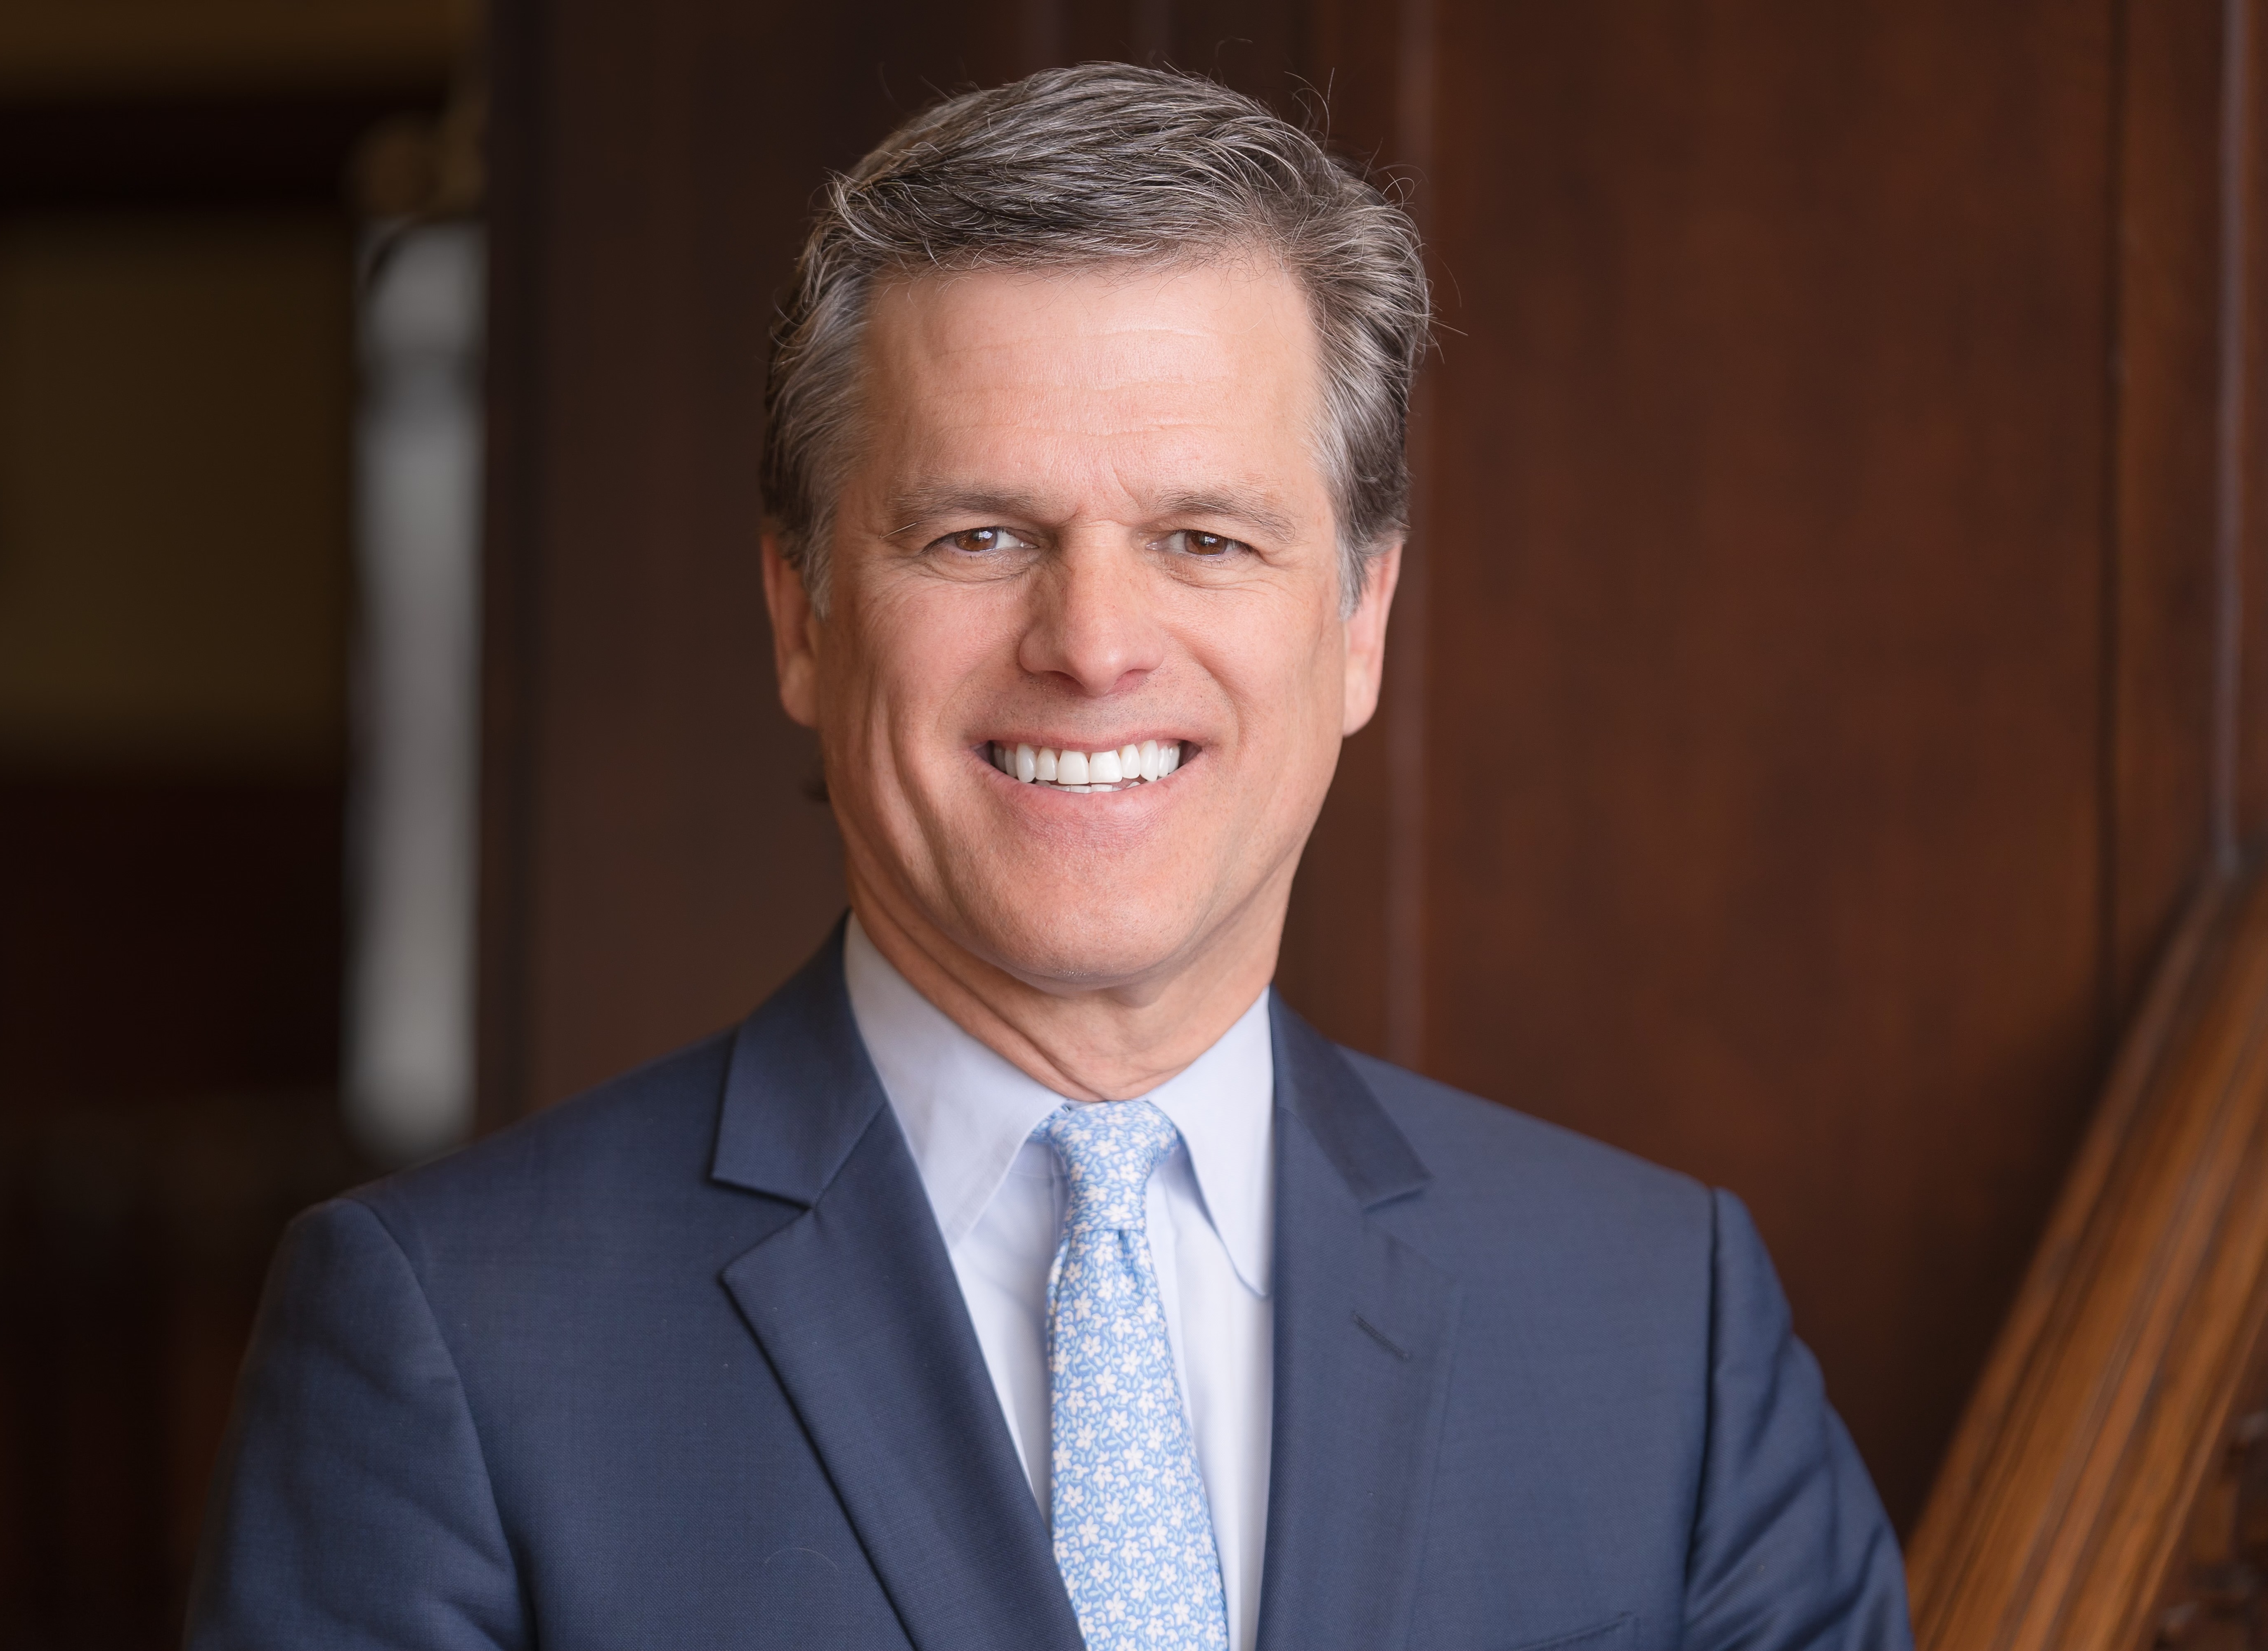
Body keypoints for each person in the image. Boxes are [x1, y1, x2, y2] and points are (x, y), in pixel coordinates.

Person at [187, 62, 1912, 1651]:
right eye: (982, 532)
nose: (1093, 642)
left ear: (1363, 620)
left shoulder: (1654, 1325)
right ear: (802, 615)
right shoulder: (456, 1340)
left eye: (1204, 537)